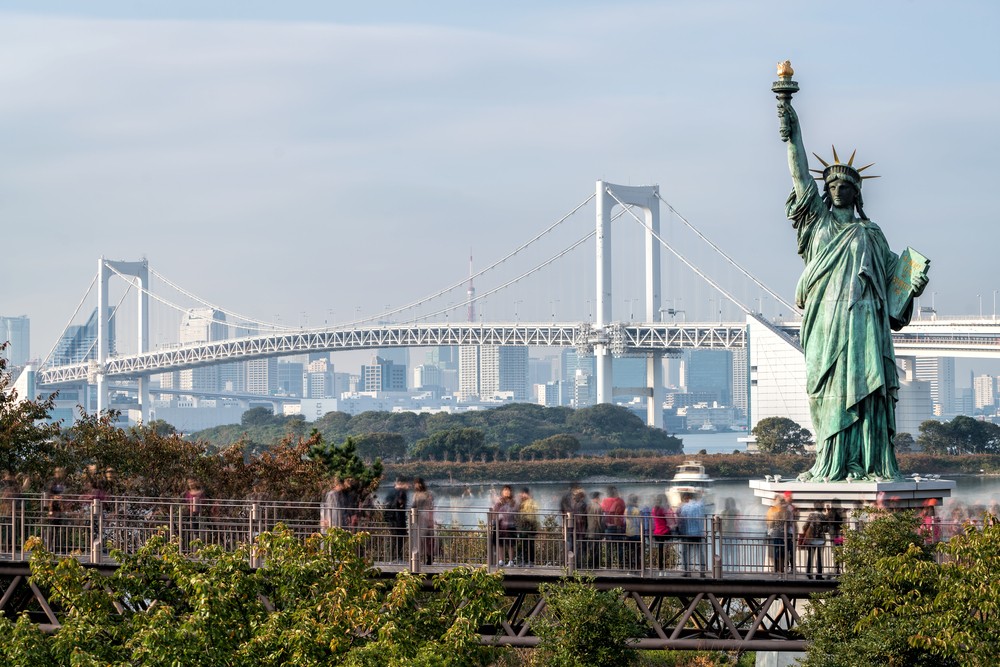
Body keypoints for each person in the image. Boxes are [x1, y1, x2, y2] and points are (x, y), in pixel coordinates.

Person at [778, 83, 928, 482]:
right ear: (825, 192)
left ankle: (868, 460)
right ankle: (830, 459)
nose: (839, 189)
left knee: (868, 392)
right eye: (832, 185)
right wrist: (789, 119)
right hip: (825, 324)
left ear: (857, 191)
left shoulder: (872, 234)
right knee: (826, 391)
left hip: (864, 322)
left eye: (847, 185)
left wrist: (913, 285)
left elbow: (895, 290)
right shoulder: (818, 222)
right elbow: (797, 173)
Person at [678, 492, 705, 575]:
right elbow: (701, 518)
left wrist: (680, 531)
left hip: (687, 533)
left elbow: (682, 520)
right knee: (700, 552)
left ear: (686, 498)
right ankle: (702, 571)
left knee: (685, 552)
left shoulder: (685, 507)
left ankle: (687, 571)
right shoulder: (699, 506)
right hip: (698, 533)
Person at [383, 477, 409, 563]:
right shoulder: (398, 493)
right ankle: (394, 558)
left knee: (398, 539)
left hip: (397, 521)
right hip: (396, 521)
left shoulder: (395, 492)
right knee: (396, 539)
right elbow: (394, 507)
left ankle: (397, 557)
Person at [411, 478, 435, 565]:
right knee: (424, 540)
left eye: (416, 484)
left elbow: (414, 506)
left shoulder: (422, 495)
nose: (415, 486)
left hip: (423, 520)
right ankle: (426, 558)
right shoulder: (420, 494)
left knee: (425, 540)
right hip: (422, 520)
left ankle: (427, 558)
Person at [601, 486, 626, 568]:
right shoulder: (620, 501)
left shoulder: (604, 501)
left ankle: (608, 565)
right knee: (619, 547)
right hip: (618, 527)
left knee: (609, 547)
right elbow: (623, 513)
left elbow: (603, 514)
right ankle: (621, 565)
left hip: (608, 527)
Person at [493, 485, 517, 566]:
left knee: (511, 544)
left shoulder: (513, 502)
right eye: (505, 490)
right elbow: (495, 512)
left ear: (510, 492)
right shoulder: (499, 502)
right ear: (502, 492)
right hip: (501, 525)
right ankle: (501, 560)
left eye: (508, 490)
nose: (506, 492)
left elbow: (515, 511)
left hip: (511, 525)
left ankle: (511, 561)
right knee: (500, 543)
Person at [766, 496, 792, 573]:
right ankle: (782, 568)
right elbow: (789, 523)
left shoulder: (775, 512)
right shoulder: (788, 512)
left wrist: (770, 531)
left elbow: (771, 523)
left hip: (776, 534)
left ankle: (777, 568)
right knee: (783, 552)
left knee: (776, 551)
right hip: (785, 535)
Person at [516, 487, 539, 567]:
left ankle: (530, 561)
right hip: (522, 528)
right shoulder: (520, 503)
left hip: (531, 527)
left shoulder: (532, 502)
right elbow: (517, 513)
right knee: (522, 544)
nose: (523, 495)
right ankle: (523, 561)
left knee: (530, 544)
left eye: (524, 493)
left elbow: (534, 513)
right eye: (522, 493)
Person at [800, 506, 826, 579]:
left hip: (811, 539)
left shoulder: (811, 515)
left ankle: (808, 572)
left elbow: (805, 526)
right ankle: (819, 574)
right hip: (820, 539)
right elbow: (826, 529)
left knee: (810, 556)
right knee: (820, 557)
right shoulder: (823, 516)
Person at [650, 495, 675, 571]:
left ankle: (660, 566)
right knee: (665, 547)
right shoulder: (662, 510)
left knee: (660, 549)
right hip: (664, 531)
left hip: (657, 532)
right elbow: (668, 520)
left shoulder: (653, 510)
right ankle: (663, 565)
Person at [718, 497, 741, 571]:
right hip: (734, 535)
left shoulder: (723, 512)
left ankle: (725, 568)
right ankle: (735, 569)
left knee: (725, 553)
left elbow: (722, 524)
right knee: (734, 553)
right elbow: (739, 524)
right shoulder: (737, 512)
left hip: (724, 535)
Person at [624, 494, 642, 569]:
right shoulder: (636, 510)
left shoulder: (626, 510)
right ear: (635, 501)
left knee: (629, 550)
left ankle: (630, 565)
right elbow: (639, 523)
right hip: (636, 533)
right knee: (637, 551)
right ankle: (637, 565)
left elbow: (624, 521)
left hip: (628, 532)